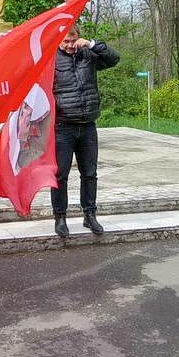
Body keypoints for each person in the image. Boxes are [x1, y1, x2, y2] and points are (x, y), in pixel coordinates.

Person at [51, 24, 120, 237]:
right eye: (66, 42)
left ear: (79, 38)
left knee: (89, 174)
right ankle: (60, 217)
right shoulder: (50, 60)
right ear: (59, 41)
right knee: (60, 175)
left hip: (88, 125)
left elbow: (114, 59)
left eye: (74, 41)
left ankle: (90, 215)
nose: (70, 46)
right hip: (62, 126)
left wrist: (92, 44)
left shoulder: (88, 54)